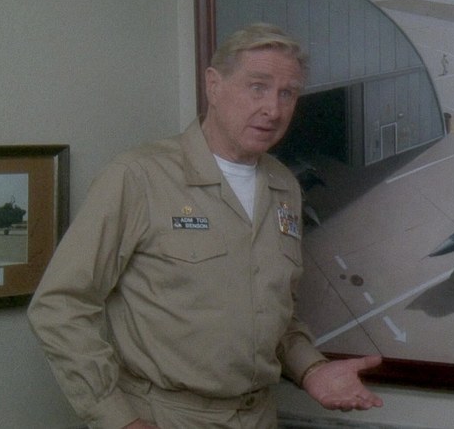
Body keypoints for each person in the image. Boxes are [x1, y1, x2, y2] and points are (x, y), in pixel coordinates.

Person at [27, 23, 383, 429]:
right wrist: (117, 418)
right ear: (214, 86)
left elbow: (273, 312)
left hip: (258, 416)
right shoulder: (139, 177)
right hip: (164, 417)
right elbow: (61, 304)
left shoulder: (284, 185)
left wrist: (312, 370)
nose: (273, 109)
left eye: (287, 93)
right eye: (258, 87)